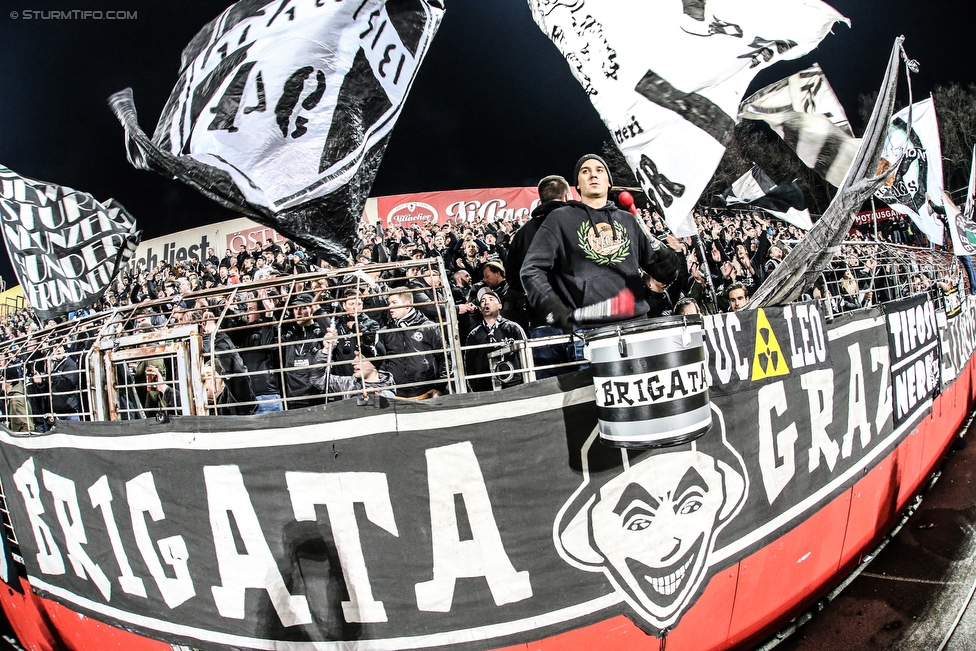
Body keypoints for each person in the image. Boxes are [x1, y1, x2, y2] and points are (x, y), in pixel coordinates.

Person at [521, 154, 682, 331]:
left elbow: (658, 271)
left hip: (636, 323)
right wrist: (549, 303)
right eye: (585, 171)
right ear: (578, 185)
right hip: (587, 332)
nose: (593, 175)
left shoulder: (628, 220)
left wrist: (669, 265)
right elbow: (531, 269)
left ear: (609, 182)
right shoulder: (559, 219)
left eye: (599, 170)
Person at [507, 175, 573, 332]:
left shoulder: (522, 234)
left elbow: (512, 277)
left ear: (541, 200)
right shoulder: (578, 223)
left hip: (541, 318)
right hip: (578, 318)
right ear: (566, 196)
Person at [380, 289, 446, 399]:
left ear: (407, 305)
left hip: (425, 392)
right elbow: (381, 363)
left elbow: (444, 357)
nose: (390, 307)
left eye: (394, 303)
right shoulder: (385, 331)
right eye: (389, 303)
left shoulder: (428, 327)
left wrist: (439, 387)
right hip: (395, 394)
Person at [464, 288, 528, 391]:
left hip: (514, 386)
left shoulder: (513, 328)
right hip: (485, 389)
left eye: (490, 299)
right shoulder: (473, 335)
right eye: (483, 301)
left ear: (500, 305)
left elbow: (526, 356)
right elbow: (469, 366)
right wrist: (474, 388)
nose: (486, 302)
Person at [313, 339, 396, 401]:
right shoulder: (347, 384)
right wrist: (326, 351)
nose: (353, 362)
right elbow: (317, 379)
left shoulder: (388, 391)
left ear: (374, 364)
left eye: (360, 358)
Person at [3, 366, 32, 433]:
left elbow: (26, 425)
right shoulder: (16, 395)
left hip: (20, 440)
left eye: (2, 379)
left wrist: (18, 440)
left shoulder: (15, 399)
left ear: (9, 381)